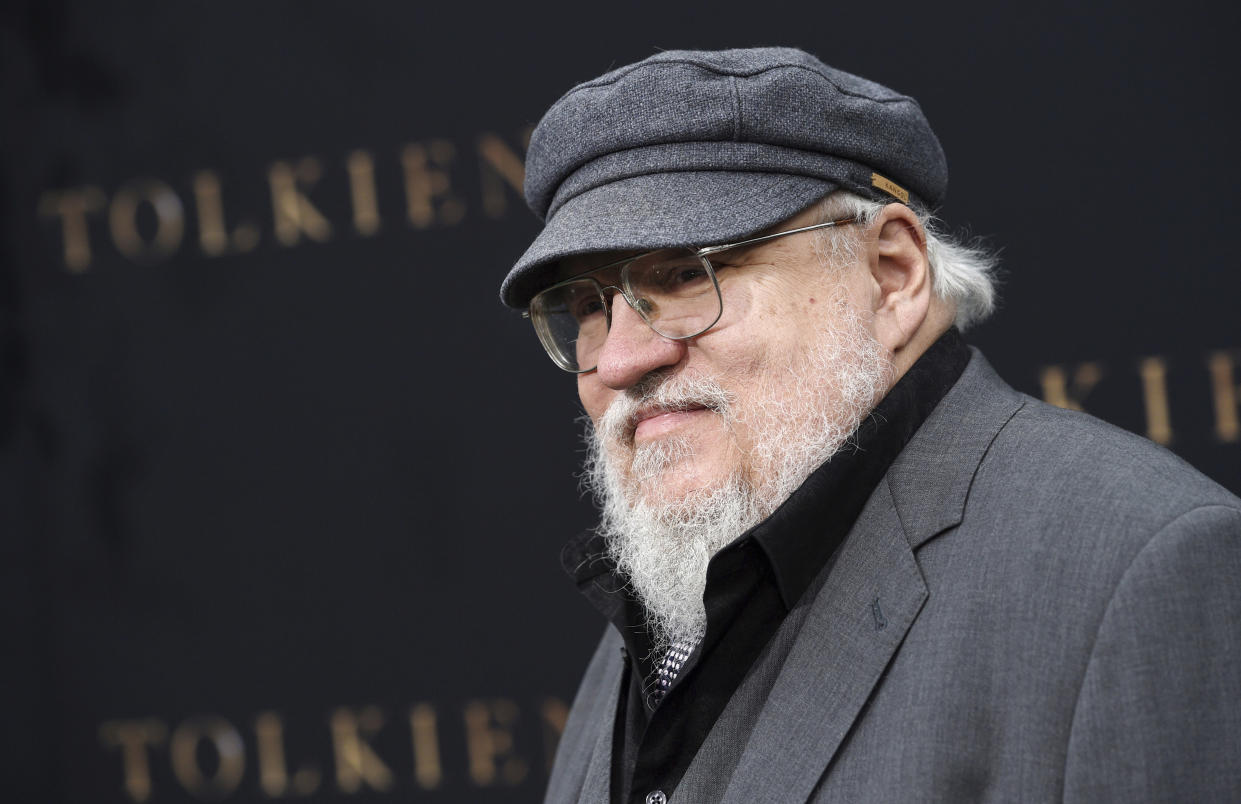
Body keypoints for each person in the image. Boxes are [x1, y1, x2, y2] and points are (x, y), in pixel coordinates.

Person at [499, 47, 1241, 803]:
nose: (621, 360)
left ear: (892, 275)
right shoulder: (679, 580)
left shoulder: (1134, 569)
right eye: (589, 307)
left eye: (689, 274)